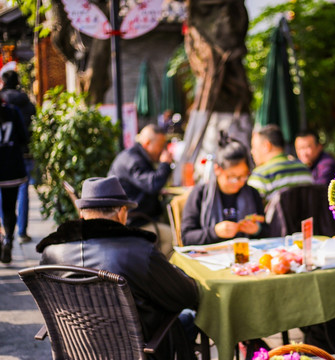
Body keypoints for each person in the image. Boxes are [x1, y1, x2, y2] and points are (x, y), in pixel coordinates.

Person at [36, 176, 199, 359]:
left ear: (81, 214)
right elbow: (186, 295)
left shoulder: (51, 253)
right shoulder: (139, 251)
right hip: (140, 351)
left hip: (76, 351)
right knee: (189, 317)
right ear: (122, 212)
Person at [181, 133, 268, 245]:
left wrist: (257, 230)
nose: (238, 182)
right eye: (232, 177)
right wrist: (214, 232)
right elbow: (186, 237)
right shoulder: (200, 194)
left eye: (243, 176)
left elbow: (268, 231)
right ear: (217, 170)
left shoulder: (252, 193)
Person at [108, 124, 174, 256]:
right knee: (173, 237)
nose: (163, 150)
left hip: (138, 216)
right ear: (148, 143)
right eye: (161, 145)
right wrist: (165, 164)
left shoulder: (134, 155)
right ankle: (156, 271)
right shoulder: (134, 160)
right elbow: (153, 184)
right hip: (133, 222)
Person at [0, 70, 36, 243]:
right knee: (19, 195)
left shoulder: (6, 103)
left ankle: (3, 237)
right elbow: (26, 135)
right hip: (17, 159)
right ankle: (16, 233)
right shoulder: (24, 104)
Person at [248, 124, 313, 205]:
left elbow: (251, 209)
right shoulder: (304, 170)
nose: (252, 152)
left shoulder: (260, 175)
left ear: (266, 146)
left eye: (253, 147)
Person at [0, 102, 28, 263]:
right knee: (9, 208)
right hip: (12, 168)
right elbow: (24, 138)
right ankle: (8, 240)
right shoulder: (12, 111)